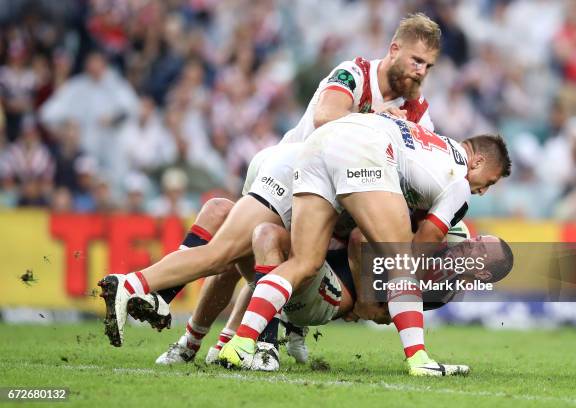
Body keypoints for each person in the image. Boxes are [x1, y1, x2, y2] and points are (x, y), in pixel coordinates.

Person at [99, 13, 445, 346]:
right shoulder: (354, 73)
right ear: (394, 49)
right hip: (293, 177)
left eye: (428, 66)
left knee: (242, 257)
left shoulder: (418, 110)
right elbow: (326, 118)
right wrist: (381, 120)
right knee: (237, 255)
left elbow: (415, 170)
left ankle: (210, 336)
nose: (421, 72)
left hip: (316, 194)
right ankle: (153, 299)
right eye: (416, 61)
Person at [217, 112, 511, 377]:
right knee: (403, 260)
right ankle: (419, 359)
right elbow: (413, 246)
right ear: (478, 161)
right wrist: (370, 302)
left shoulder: (432, 146)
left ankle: (242, 342)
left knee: (300, 259)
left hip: (325, 139)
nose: (484, 190)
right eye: (491, 181)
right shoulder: (456, 183)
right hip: (358, 152)